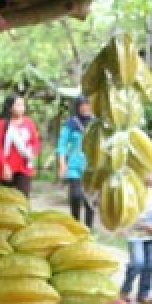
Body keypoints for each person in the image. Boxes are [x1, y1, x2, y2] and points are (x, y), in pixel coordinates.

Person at [120, 173, 152, 304]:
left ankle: (143, 293)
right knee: (137, 263)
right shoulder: (130, 192)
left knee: (150, 265)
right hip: (135, 236)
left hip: (150, 236)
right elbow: (127, 214)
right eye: (147, 172)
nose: (151, 176)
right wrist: (144, 226)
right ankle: (125, 291)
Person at [57, 96, 95, 228]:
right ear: (78, 107)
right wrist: (62, 164)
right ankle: (75, 226)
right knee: (76, 196)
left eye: (88, 104)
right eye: (82, 105)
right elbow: (61, 145)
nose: (85, 108)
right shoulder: (70, 124)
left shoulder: (96, 124)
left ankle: (89, 231)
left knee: (90, 201)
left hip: (91, 168)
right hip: (74, 166)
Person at [0, 94, 40, 196]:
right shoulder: (0, 124)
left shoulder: (28, 122)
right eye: (18, 105)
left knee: (23, 198)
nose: (22, 108)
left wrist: (32, 153)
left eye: (22, 105)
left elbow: (35, 142)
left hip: (24, 167)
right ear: (10, 107)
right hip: (6, 168)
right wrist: (4, 165)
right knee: (6, 199)